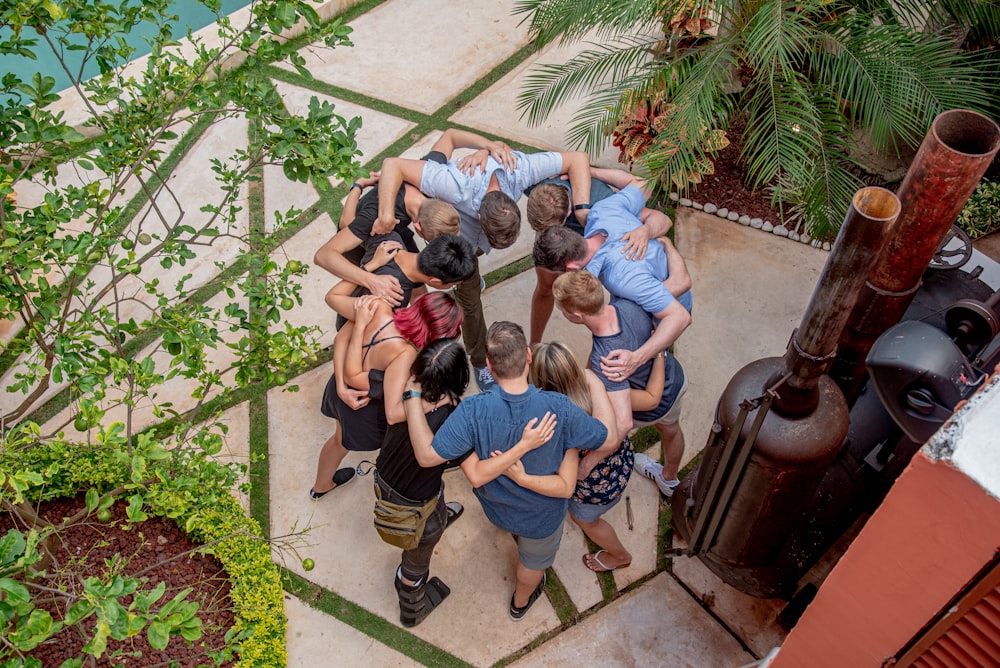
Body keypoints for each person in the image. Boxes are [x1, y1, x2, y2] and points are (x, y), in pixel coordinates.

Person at [405, 321, 608, 621]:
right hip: (542, 518)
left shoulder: (471, 410)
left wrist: (410, 398)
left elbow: (428, 455)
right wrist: (596, 388)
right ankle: (520, 602)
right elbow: (601, 435)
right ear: (528, 355)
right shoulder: (560, 408)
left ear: (488, 365)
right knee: (532, 565)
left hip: (497, 509)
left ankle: (520, 598)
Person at [375, 128, 594, 391]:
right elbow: (393, 165)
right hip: (460, 243)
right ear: (479, 216)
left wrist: (582, 209)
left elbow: (577, 158)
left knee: (472, 277)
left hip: (475, 242)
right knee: (470, 303)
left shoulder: (518, 169)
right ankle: (479, 360)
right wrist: (386, 214)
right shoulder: (454, 184)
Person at [384, 338, 557, 627]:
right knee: (418, 553)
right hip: (412, 506)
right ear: (459, 377)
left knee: (436, 505)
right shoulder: (455, 417)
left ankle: (438, 515)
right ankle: (410, 602)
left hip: (388, 475)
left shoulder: (412, 391)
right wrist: (523, 445)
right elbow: (475, 473)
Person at [532, 179, 694, 381]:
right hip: (653, 278)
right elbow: (644, 184)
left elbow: (679, 317)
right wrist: (593, 171)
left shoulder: (622, 277)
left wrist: (637, 358)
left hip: (665, 306)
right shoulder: (602, 210)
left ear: (571, 268)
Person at [309, 290, 463, 499]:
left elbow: (340, 340)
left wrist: (340, 386)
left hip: (341, 393)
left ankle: (321, 485)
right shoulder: (404, 353)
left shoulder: (378, 306)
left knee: (338, 441)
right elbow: (393, 413)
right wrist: (442, 399)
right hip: (362, 410)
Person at [553, 270, 689, 498]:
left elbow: (623, 423)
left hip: (654, 403)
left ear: (577, 315)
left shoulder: (607, 359)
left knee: (602, 422)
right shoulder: (629, 301)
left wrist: (588, 464)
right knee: (672, 431)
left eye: (562, 310)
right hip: (675, 378)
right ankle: (669, 479)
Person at [508, 342, 639, 572]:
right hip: (622, 462)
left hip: (593, 488)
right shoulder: (591, 381)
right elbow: (614, 430)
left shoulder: (555, 421)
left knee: (587, 521)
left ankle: (620, 556)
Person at [525, 166, 673, 345]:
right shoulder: (541, 180)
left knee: (598, 303)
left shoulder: (601, 203)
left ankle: (608, 340)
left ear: (568, 212)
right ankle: (534, 345)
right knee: (545, 287)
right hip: (564, 245)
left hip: (586, 243)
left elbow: (654, 206)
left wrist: (646, 230)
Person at [314, 170, 460, 307]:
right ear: (418, 227)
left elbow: (392, 165)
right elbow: (338, 234)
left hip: (396, 232)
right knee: (375, 293)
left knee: (418, 277)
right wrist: (371, 279)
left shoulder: (423, 181)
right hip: (362, 247)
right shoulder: (373, 219)